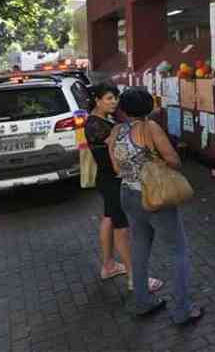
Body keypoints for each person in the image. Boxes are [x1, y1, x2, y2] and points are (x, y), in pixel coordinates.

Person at [110, 89, 203, 324]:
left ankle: (142, 302)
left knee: (139, 250)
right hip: (154, 196)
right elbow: (174, 160)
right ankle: (183, 310)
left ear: (123, 108)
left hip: (127, 194)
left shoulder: (116, 131)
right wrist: (156, 161)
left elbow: (117, 169)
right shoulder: (150, 128)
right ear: (148, 106)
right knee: (178, 251)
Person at [84, 84, 163, 292]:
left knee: (109, 219)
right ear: (97, 100)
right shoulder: (96, 125)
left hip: (108, 180)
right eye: (109, 98)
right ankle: (134, 278)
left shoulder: (104, 120)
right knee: (122, 228)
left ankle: (109, 265)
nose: (114, 102)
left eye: (116, 98)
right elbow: (118, 150)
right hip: (112, 181)